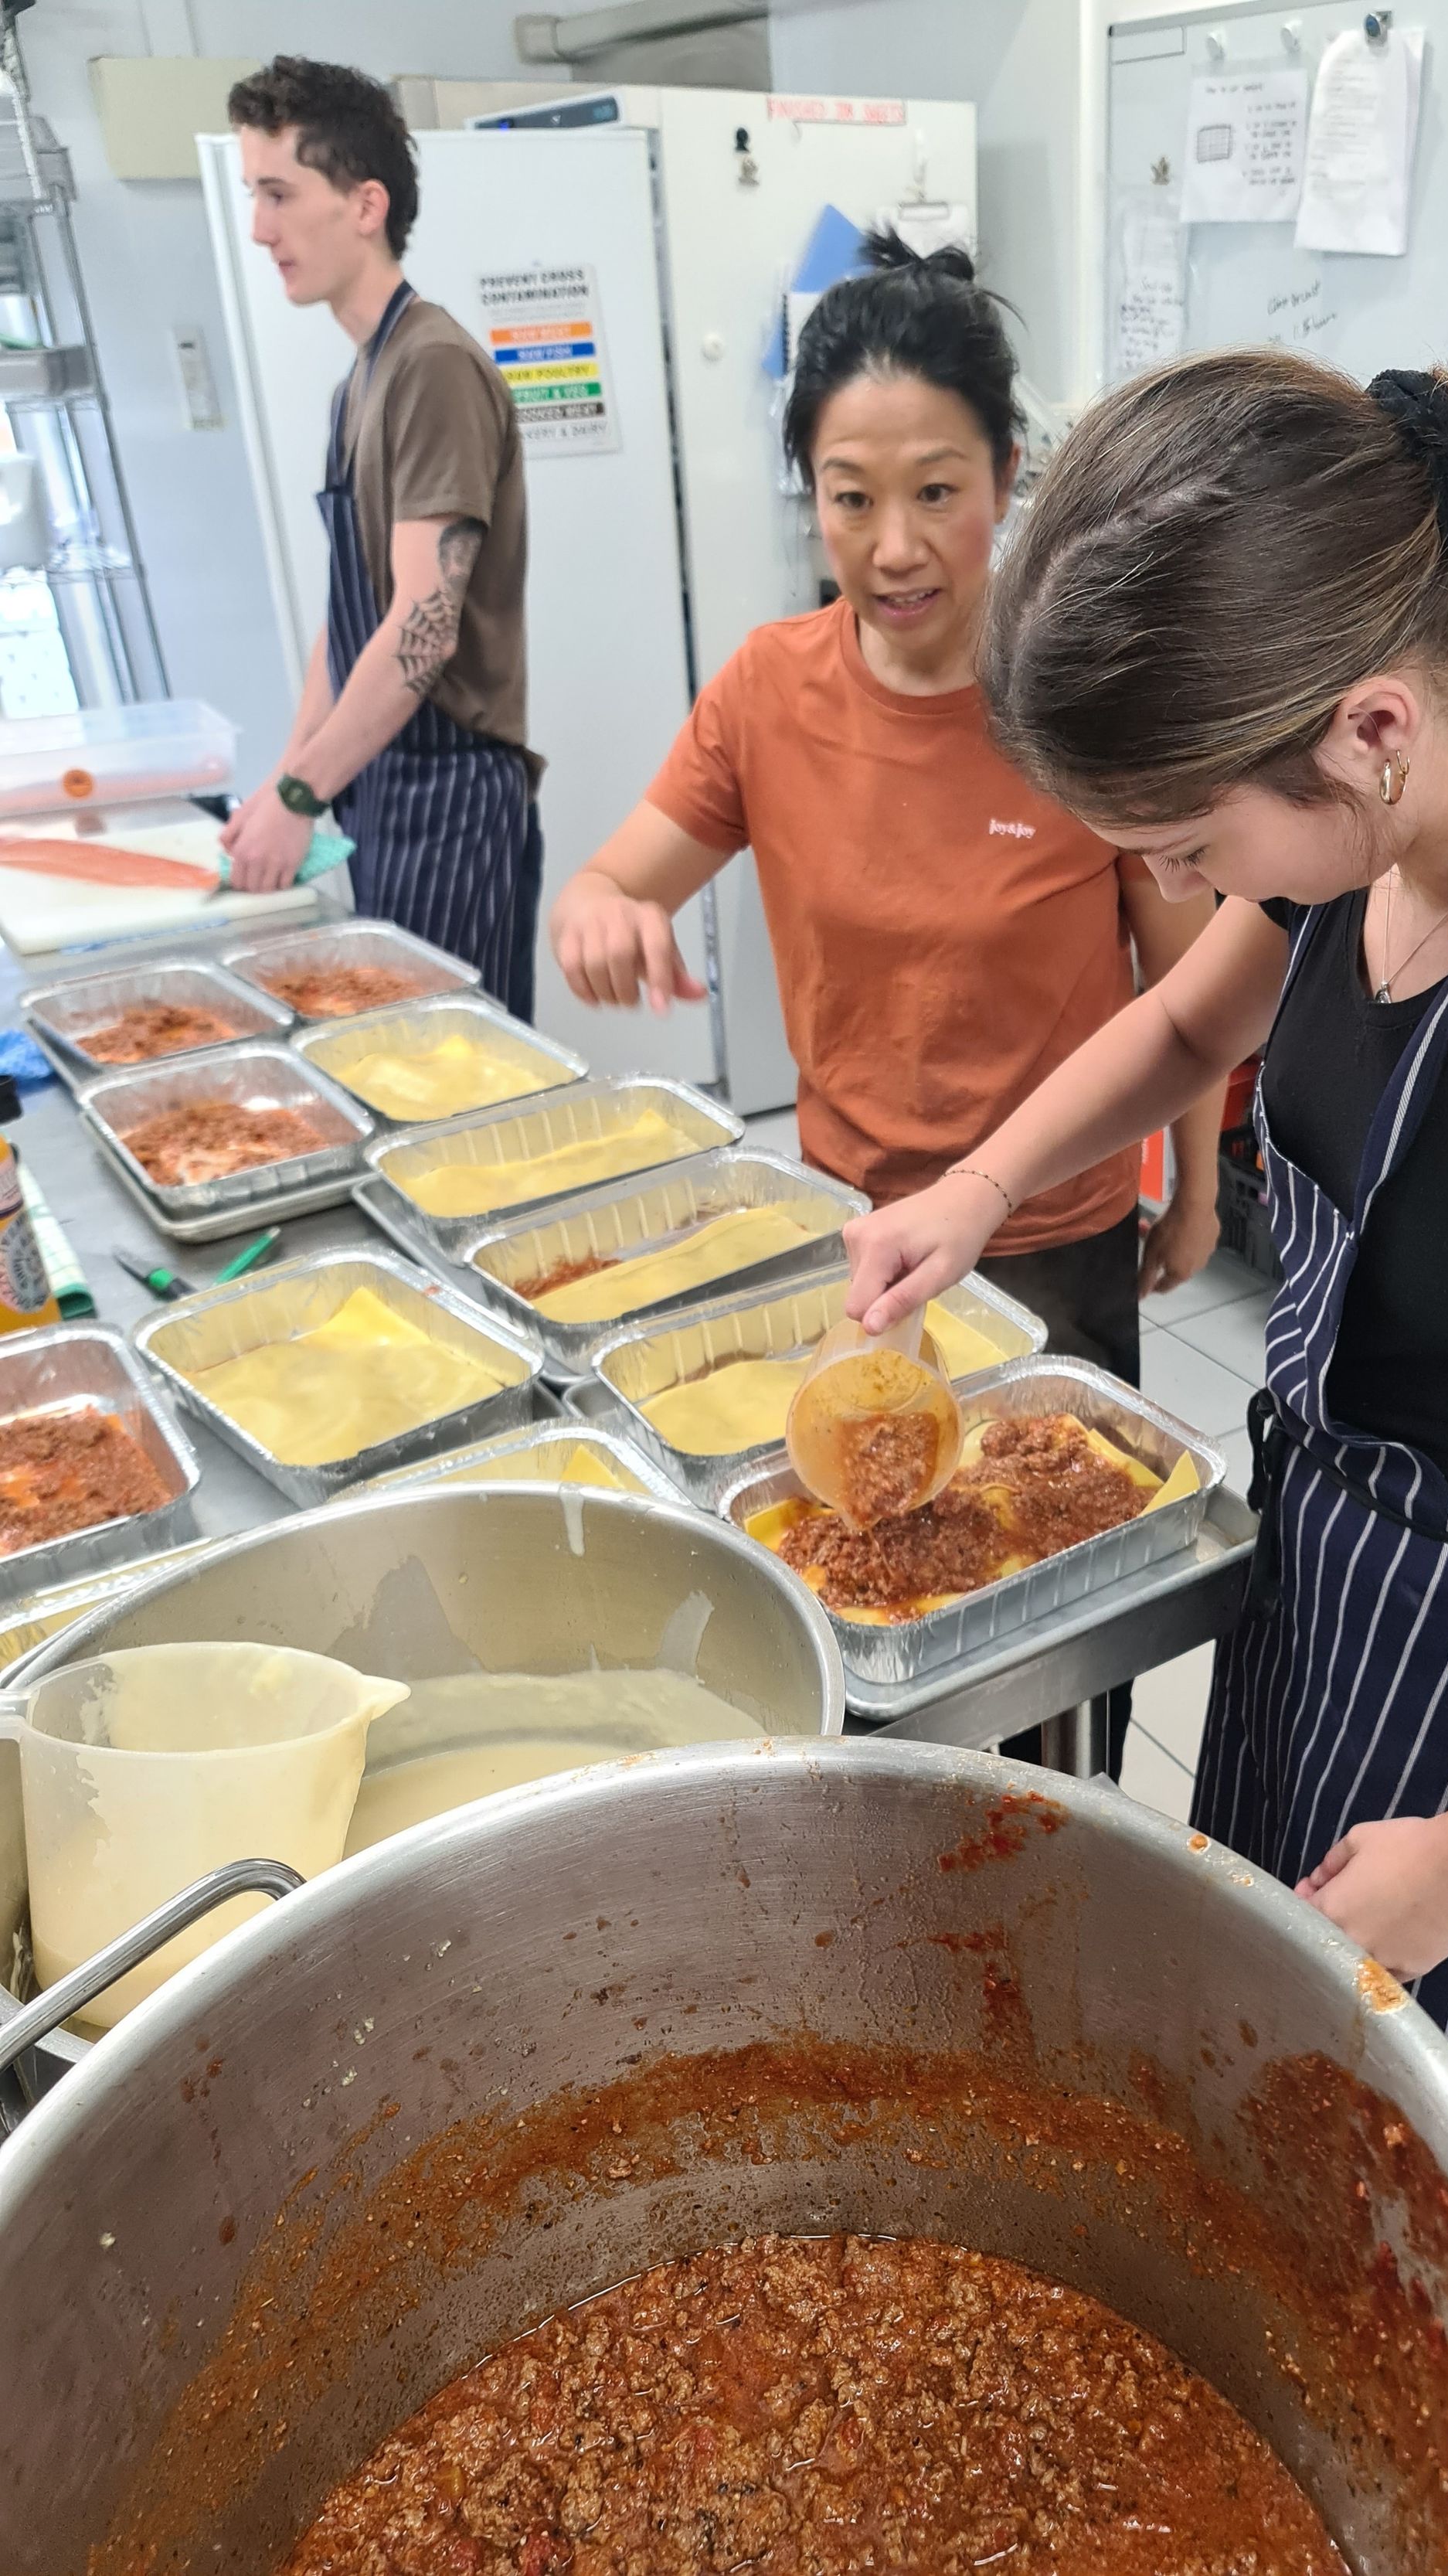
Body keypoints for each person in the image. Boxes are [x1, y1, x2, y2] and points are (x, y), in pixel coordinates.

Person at [844, 345, 1448, 2235]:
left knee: (1417, 2177)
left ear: (1368, 727)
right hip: (1322, 1559)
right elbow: (1180, 1027)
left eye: (1188, 845)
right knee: (1259, 2076)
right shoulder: (1356, 829)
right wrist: (974, 1190)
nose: (1183, 881)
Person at [550, 237, 1224, 1700]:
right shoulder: (767, 689)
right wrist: (601, 911)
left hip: (1047, 1233)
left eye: (936, 492)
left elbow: (1187, 991)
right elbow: (613, 877)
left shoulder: (1075, 703)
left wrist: (1196, 1185)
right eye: (852, 497)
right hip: (849, 1241)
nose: (896, 546)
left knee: (1052, 1621)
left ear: (1007, 477)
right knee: (870, 1610)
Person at [222, 58, 543, 1018]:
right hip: (382, 784)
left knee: (453, 1076)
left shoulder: (432, 367)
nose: (259, 228)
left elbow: (421, 627)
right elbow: (349, 618)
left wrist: (300, 797)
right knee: (396, 1060)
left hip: (448, 797)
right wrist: (286, 784)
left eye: (279, 194)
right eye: (253, 196)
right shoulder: (360, 382)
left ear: (366, 205)